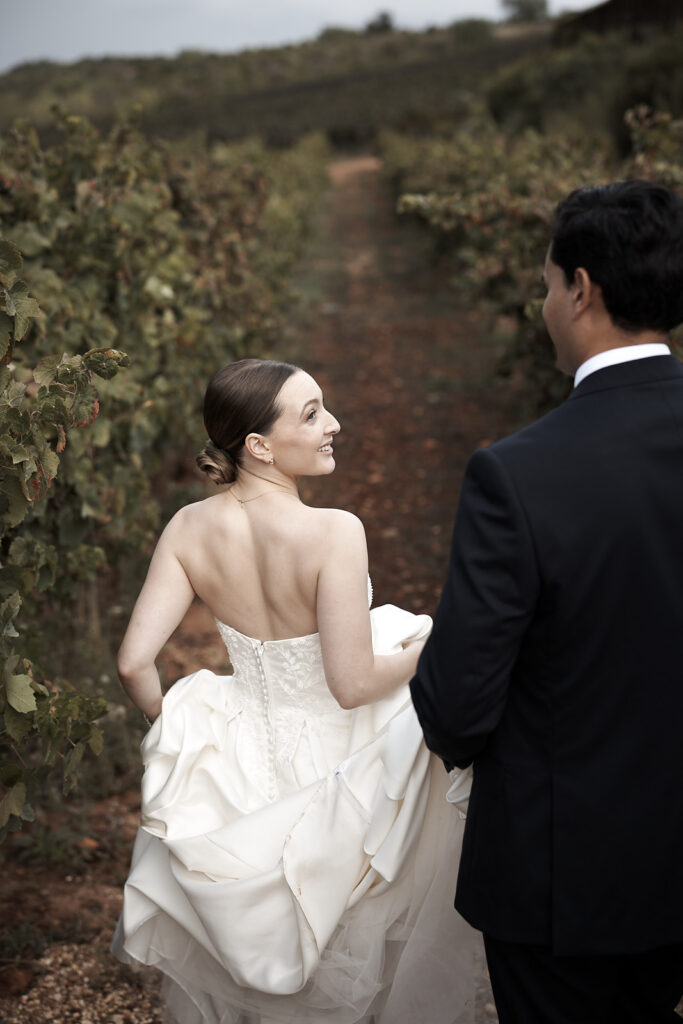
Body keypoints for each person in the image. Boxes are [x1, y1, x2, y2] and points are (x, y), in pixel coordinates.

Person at [111, 358, 481, 1024]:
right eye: (311, 415)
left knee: (261, 931)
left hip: (240, 756)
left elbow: (135, 663)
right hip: (339, 756)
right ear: (258, 445)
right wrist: (430, 650)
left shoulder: (188, 528)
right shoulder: (333, 532)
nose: (332, 424)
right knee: (349, 920)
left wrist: (177, 727)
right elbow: (353, 684)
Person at [410, 178, 683, 1023]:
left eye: (544, 285)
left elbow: (456, 708)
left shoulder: (518, 473)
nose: (542, 305)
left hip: (567, 873)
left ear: (580, 290)